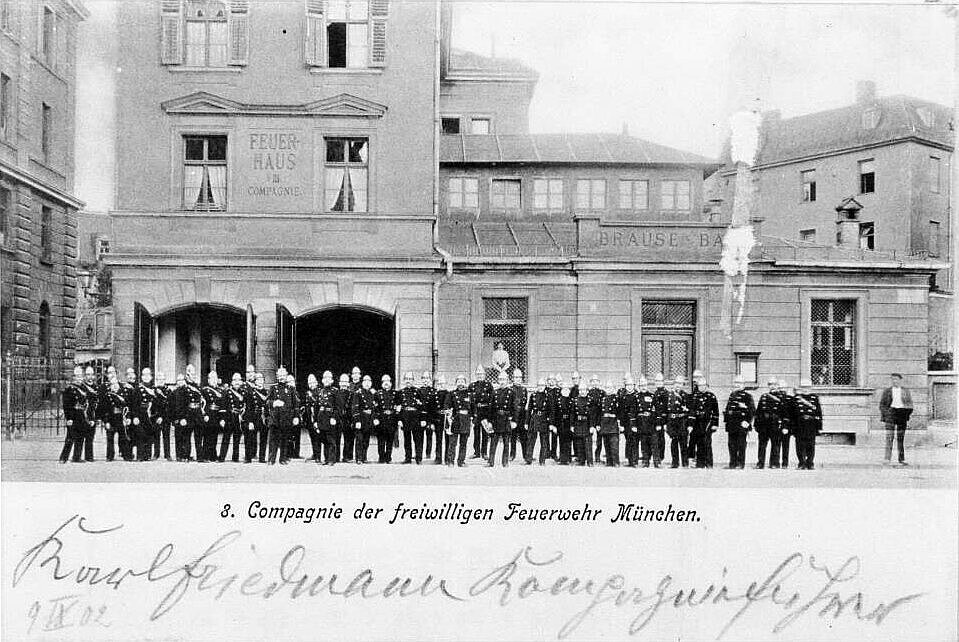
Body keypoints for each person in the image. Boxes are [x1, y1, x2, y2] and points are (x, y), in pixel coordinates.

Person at [879, 373, 914, 466]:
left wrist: (906, 414)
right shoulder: (887, 391)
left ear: (900, 380)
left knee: (900, 437)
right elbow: (882, 405)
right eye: (893, 379)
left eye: (897, 379)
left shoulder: (905, 391)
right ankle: (887, 458)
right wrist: (886, 414)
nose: (895, 381)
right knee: (889, 437)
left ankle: (901, 459)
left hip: (902, 414)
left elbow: (910, 405)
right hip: (891, 413)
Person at [267, 367, 298, 465]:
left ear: (286, 376)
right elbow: (267, 402)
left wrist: (296, 417)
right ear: (277, 376)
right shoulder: (273, 388)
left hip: (286, 418)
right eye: (279, 376)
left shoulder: (291, 389)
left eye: (283, 375)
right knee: (273, 440)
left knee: (285, 439)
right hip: (275, 419)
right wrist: (274, 402)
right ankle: (271, 459)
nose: (281, 378)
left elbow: (295, 405)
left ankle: (283, 459)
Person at [688, 371, 719, 468]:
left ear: (706, 386)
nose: (701, 387)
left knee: (707, 443)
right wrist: (690, 425)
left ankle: (709, 463)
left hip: (707, 423)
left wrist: (715, 424)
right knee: (699, 443)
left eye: (703, 385)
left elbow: (715, 412)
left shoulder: (711, 396)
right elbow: (692, 412)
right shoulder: (695, 396)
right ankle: (700, 464)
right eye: (699, 386)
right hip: (697, 423)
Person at [723, 375, 755, 469]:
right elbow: (728, 409)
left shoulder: (748, 396)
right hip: (732, 424)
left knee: (741, 444)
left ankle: (741, 464)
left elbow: (752, 410)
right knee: (731, 445)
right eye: (736, 383)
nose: (737, 385)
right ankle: (732, 463)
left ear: (743, 385)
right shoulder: (732, 395)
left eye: (739, 383)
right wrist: (727, 421)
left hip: (742, 423)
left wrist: (747, 422)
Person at [60, 366, 89, 463]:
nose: (80, 378)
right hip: (73, 415)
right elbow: (66, 405)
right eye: (78, 376)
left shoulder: (84, 388)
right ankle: (63, 457)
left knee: (81, 436)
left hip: (81, 414)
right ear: (74, 377)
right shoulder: (69, 389)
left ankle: (77, 457)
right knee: (70, 437)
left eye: (81, 376)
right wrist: (69, 418)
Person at [754, 377, 784, 469]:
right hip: (764, 425)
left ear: (778, 386)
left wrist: (782, 424)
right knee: (762, 445)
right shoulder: (764, 396)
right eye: (770, 384)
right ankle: (760, 463)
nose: (772, 386)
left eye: (774, 384)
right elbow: (758, 412)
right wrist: (756, 424)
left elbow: (784, 412)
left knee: (775, 445)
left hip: (775, 424)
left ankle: (774, 463)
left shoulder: (781, 397)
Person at [488, 371, 514, 467]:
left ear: (507, 380)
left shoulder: (511, 392)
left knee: (506, 443)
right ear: (498, 381)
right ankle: (491, 461)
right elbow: (491, 408)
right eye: (500, 379)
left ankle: (505, 462)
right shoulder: (494, 392)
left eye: (504, 379)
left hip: (506, 419)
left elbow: (514, 407)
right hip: (496, 420)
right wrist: (490, 421)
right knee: (493, 443)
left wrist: (513, 421)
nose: (502, 381)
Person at [793, 386, 823, 470]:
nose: (805, 389)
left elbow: (818, 412)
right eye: (803, 388)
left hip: (811, 424)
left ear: (810, 389)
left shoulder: (814, 398)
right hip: (800, 424)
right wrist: (793, 427)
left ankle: (810, 463)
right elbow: (793, 413)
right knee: (799, 445)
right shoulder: (797, 398)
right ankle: (801, 463)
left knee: (811, 445)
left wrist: (819, 426)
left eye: (807, 388)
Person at [446, 375, 473, 467]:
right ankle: (450, 461)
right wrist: (449, 415)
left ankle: (461, 461)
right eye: (458, 381)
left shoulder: (469, 394)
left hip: (466, 420)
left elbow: (473, 408)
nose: (460, 383)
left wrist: (473, 419)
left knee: (463, 443)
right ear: (456, 383)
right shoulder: (452, 394)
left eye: (462, 381)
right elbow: (447, 406)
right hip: (456, 419)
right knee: (453, 442)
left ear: (465, 383)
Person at [397, 372, 424, 464]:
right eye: (407, 379)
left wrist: (422, 419)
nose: (408, 381)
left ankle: (419, 458)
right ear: (404, 380)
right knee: (407, 439)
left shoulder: (418, 391)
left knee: (417, 439)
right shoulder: (401, 392)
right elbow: (398, 407)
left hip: (415, 417)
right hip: (405, 417)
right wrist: (399, 419)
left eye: (410, 379)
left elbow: (422, 407)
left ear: (413, 380)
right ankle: (408, 458)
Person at [665, 375, 691, 468]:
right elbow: (666, 410)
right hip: (672, 421)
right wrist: (666, 424)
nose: (678, 385)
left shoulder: (686, 396)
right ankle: (674, 463)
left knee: (683, 442)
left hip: (682, 421)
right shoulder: (669, 395)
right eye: (676, 383)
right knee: (674, 442)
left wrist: (689, 424)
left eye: (680, 383)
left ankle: (685, 463)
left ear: (683, 385)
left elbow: (689, 411)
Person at [200, 372, 226, 463]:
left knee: (214, 436)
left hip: (216, 415)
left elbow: (222, 405)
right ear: (208, 380)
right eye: (212, 378)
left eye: (215, 378)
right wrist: (204, 415)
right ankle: (205, 456)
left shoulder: (220, 391)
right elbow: (202, 404)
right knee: (207, 436)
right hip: (209, 414)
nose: (214, 380)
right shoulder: (204, 390)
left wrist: (222, 418)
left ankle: (213, 455)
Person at [351, 374, 377, 464]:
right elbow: (355, 407)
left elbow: (374, 408)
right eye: (365, 381)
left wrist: (374, 418)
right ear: (362, 383)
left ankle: (364, 457)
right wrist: (357, 420)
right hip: (361, 419)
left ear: (371, 383)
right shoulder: (358, 393)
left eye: (369, 382)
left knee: (366, 440)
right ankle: (359, 458)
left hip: (369, 419)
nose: (367, 383)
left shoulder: (372, 393)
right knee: (359, 440)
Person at [132, 368, 156, 461]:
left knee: (149, 434)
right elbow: (134, 404)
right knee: (140, 435)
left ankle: (147, 455)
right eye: (144, 375)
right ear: (141, 377)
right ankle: (140, 455)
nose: (146, 377)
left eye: (148, 375)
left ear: (151, 377)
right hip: (141, 414)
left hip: (150, 415)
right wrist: (135, 416)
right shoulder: (138, 389)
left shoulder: (154, 389)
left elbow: (156, 403)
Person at [469, 365, 493, 459]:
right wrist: (471, 414)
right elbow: (469, 401)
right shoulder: (472, 386)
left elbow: (491, 400)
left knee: (485, 433)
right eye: (478, 374)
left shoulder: (488, 385)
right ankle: (476, 452)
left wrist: (489, 414)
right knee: (476, 432)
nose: (480, 375)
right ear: (475, 375)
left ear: (485, 375)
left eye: (481, 374)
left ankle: (484, 452)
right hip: (476, 411)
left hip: (485, 411)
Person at [635, 376, 659, 468]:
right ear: (639, 386)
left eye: (645, 385)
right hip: (641, 423)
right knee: (644, 444)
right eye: (641, 385)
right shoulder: (636, 397)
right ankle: (646, 461)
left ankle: (656, 462)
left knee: (654, 443)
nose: (643, 387)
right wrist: (634, 425)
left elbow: (657, 411)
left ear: (647, 385)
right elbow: (633, 412)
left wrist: (658, 423)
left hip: (651, 423)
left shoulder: (652, 396)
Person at [526, 378, 550, 465]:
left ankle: (542, 460)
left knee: (544, 441)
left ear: (545, 386)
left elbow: (551, 410)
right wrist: (526, 422)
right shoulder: (533, 395)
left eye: (542, 385)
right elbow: (529, 409)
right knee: (531, 440)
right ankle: (528, 459)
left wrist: (550, 422)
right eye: (539, 385)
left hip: (544, 419)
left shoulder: (548, 396)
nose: (541, 387)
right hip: (534, 418)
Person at [375, 374, 398, 464]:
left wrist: (397, 419)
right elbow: (375, 408)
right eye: (384, 381)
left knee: (390, 440)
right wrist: (376, 418)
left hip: (392, 419)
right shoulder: (377, 394)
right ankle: (381, 457)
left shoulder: (395, 394)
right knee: (381, 440)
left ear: (391, 383)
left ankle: (388, 457)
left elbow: (398, 407)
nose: (386, 383)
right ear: (381, 383)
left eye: (388, 381)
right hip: (382, 419)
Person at [223, 373, 246, 462]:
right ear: (231, 382)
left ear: (241, 381)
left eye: (238, 380)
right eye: (235, 380)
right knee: (226, 438)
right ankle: (222, 457)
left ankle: (235, 457)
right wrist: (223, 419)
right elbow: (223, 407)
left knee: (237, 438)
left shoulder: (243, 392)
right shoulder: (227, 392)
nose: (237, 382)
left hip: (238, 417)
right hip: (229, 417)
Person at [597, 381, 620, 467]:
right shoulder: (603, 399)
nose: (608, 389)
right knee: (606, 443)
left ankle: (616, 462)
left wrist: (620, 423)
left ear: (613, 388)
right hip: (604, 423)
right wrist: (598, 424)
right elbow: (599, 412)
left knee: (614, 444)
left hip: (613, 423)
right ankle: (609, 462)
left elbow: (620, 412)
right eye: (607, 388)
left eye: (610, 388)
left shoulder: (617, 398)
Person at [571, 383, 594, 466]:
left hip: (587, 424)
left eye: (584, 390)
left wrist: (592, 426)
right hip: (578, 423)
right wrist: (572, 425)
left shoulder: (590, 400)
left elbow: (592, 415)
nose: (582, 392)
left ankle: (590, 461)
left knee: (588, 443)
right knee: (579, 443)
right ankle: (581, 461)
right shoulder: (575, 400)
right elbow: (572, 414)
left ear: (587, 391)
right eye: (580, 390)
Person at [419, 371, 440, 462]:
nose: (425, 380)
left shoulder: (434, 391)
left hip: (430, 417)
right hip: (420, 417)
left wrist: (431, 422)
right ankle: (419, 454)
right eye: (423, 378)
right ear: (421, 380)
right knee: (419, 437)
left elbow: (434, 408)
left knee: (429, 435)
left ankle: (428, 454)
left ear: (430, 380)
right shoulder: (418, 391)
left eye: (427, 378)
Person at [509, 369, 529, 462]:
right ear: (513, 378)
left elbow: (525, 404)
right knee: (513, 437)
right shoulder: (510, 389)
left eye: (520, 377)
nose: (518, 379)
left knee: (524, 437)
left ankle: (526, 455)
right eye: (516, 377)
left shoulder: (524, 389)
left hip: (522, 416)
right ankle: (512, 455)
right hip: (513, 415)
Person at [152, 371, 172, 461]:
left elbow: (169, 406)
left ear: (165, 380)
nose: (160, 380)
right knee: (156, 436)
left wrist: (163, 417)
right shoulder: (153, 391)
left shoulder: (168, 391)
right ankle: (156, 454)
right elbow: (153, 406)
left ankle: (167, 455)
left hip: (166, 417)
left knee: (166, 436)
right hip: (156, 418)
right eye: (158, 379)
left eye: (162, 379)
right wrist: (157, 417)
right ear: (156, 380)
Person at [334, 373, 353, 463]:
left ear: (348, 383)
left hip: (347, 419)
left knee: (348, 439)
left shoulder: (351, 394)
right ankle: (336, 457)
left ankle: (347, 456)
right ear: (339, 383)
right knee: (336, 438)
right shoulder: (336, 393)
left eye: (346, 382)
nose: (344, 384)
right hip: (338, 418)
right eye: (342, 382)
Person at [304, 374, 323, 463]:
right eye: (309, 383)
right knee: (312, 437)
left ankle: (318, 457)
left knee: (317, 438)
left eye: (312, 382)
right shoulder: (308, 393)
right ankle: (315, 454)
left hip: (317, 419)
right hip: (309, 419)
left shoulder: (320, 392)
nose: (311, 384)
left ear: (316, 382)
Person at [775, 379, 794, 469]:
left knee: (785, 445)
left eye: (783, 388)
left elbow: (791, 415)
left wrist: (786, 427)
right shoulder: (774, 398)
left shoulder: (790, 399)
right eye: (780, 388)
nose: (782, 390)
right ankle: (776, 462)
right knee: (776, 445)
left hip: (785, 426)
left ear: (786, 389)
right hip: (775, 425)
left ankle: (785, 463)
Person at [652, 373, 669, 463]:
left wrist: (666, 423)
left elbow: (667, 409)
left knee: (661, 439)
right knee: (656, 438)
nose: (658, 383)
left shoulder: (666, 393)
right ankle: (657, 456)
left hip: (663, 419)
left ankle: (661, 457)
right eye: (657, 381)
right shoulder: (655, 392)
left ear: (663, 382)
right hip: (655, 419)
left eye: (660, 381)